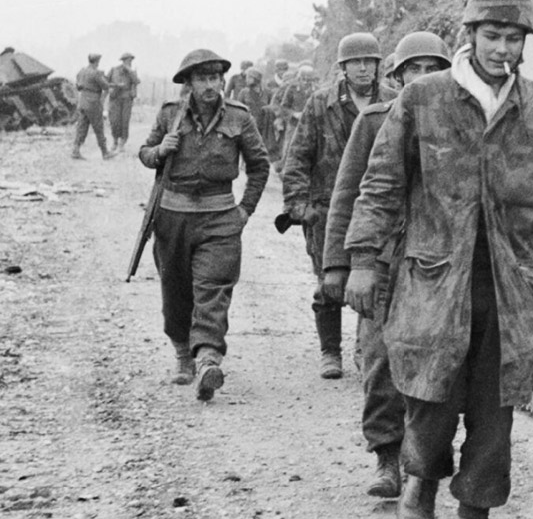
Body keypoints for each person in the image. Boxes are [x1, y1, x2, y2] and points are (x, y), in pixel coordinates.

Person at [343, 0, 533, 519]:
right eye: (493, 37)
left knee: (495, 415)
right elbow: (380, 185)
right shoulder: (423, 100)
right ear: (471, 37)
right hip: (435, 284)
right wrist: (360, 259)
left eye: (514, 39)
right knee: (429, 402)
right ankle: (421, 476)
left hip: (515, 292)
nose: (503, 50)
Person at [322, 32, 451, 498]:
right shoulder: (376, 120)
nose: (422, 78)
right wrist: (340, 264)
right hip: (386, 259)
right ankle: (386, 457)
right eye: (413, 70)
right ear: (396, 78)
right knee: (379, 361)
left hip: (440, 263)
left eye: (431, 68)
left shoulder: (463, 122)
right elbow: (348, 192)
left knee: (437, 363)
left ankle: (425, 457)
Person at [137, 49, 271, 401]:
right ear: (189, 84)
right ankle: (183, 353)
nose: (210, 85)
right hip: (173, 216)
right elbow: (145, 152)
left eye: (215, 78)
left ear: (222, 81)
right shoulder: (169, 114)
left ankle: (208, 358)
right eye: (202, 79)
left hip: (220, 217)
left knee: (213, 290)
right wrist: (160, 151)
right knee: (176, 291)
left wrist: (245, 210)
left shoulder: (240, 117)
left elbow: (259, 165)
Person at [280, 34, 384, 380]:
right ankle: (330, 350)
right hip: (328, 207)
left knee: (376, 278)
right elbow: (297, 157)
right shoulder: (320, 104)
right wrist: (299, 205)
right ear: (343, 67)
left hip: (377, 205)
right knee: (330, 283)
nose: (364, 67)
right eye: (356, 61)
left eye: (370, 60)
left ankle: (364, 347)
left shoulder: (394, 103)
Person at [272, 63, 318, 169]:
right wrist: (294, 114)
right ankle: (284, 169)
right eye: (304, 79)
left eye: (309, 80)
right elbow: (283, 107)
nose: (306, 82)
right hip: (294, 124)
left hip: (310, 125)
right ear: (300, 78)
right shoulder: (292, 88)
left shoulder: (316, 89)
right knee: (289, 147)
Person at [72, 53, 115, 160]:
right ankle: (105, 152)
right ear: (96, 62)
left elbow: (78, 85)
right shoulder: (96, 73)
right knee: (99, 128)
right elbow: (105, 86)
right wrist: (110, 85)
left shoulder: (82, 71)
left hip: (82, 102)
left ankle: (75, 151)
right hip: (93, 103)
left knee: (81, 127)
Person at [107, 53, 141, 153]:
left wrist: (130, 71)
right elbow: (105, 82)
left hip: (127, 99)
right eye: (128, 61)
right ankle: (114, 141)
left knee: (124, 121)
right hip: (115, 98)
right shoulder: (114, 70)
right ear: (123, 60)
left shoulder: (132, 72)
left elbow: (137, 81)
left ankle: (122, 143)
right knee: (114, 120)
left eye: (131, 61)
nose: (130, 63)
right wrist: (115, 85)